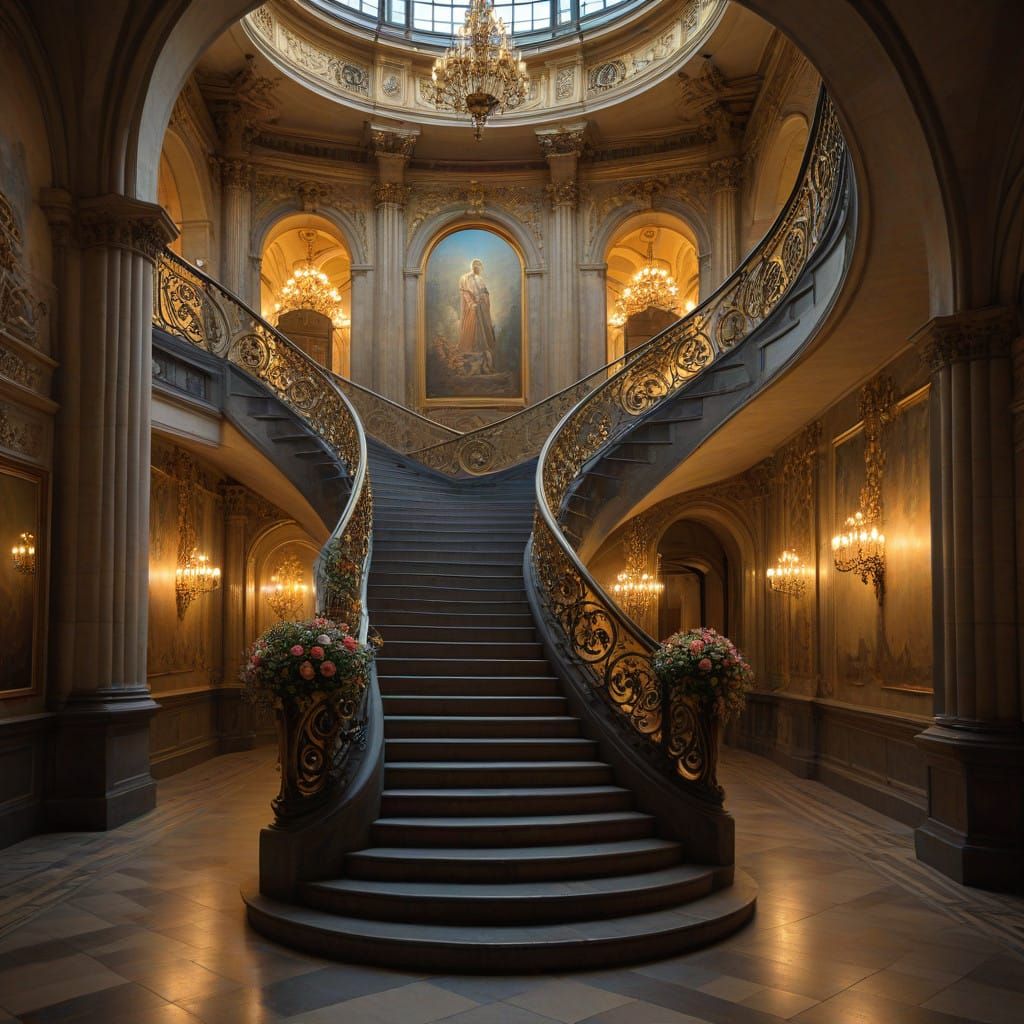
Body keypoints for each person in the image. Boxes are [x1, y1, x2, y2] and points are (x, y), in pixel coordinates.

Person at [457, 258, 496, 374]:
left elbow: (485, 292)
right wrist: (471, 303)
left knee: (484, 333)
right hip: (472, 309)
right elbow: (465, 292)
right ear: (473, 266)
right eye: (477, 266)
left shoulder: (480, 279)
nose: (478, 268)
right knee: (471, 331)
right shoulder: (465, 278)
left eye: (480, 266)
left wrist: (483, 299)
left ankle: (484, 364)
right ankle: (469, 363)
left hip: (481, 309)